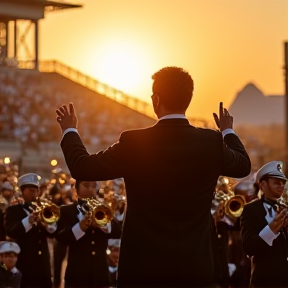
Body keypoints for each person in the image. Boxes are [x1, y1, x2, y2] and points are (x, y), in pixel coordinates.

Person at [56, 66, 251, 288]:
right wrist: (228, 131)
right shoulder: (212, 142)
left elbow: (83, 168)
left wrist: (70, 130)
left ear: (156, 99)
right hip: (196, 268)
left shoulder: (134, 143)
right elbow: (243, 166)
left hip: (143, 270)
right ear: (187, 99)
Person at [55, 180, 122, 288]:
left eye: (93, 185)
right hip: (76, 275)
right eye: (86, 185)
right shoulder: (66, 211)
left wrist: (104, 225)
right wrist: (80, 227)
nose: (90, 188)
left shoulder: (105, 209)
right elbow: (60, 237)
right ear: (76, 189)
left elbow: (119, 231)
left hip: (100, 275)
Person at [240, 161, 288, 288]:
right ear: (263, 184)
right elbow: (249, 247)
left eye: (283, 182)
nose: (281, 185)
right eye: (276, 182)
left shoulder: (286, 208)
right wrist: (271, 231)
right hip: (264, 282)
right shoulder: (251, 209)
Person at [4, 173, 57, 288]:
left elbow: (53, 234)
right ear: (22, 191)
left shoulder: (43, 207)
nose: (35, 194)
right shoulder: (12, 210)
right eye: (31, 190)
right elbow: (11, 232)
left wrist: (48, 225)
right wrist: (29, 220)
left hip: (43, 265)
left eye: (36, 190)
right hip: (24, 264)